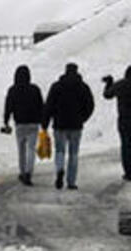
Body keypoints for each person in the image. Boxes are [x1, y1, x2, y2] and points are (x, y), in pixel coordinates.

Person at [41, 62, 94, 190]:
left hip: (59, 125)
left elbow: (49, 106)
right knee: (73, 154)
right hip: (76, 125)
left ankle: (60, 169)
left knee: (60, 151)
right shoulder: (83, 87)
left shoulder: (56, 87)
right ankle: (71, 182)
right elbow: (90, 105)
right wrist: (82, 118)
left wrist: (45, 123)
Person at [3, 65, 44, 186]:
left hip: (20, 124)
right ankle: (29, 172)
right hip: (33, 124)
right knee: (31, 149)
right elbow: (41, 105)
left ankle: (22, 172)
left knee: (21, 150)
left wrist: (6, 120)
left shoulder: (12, 90)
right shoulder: (35, 89)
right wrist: (43, 121)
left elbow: (8, 106)